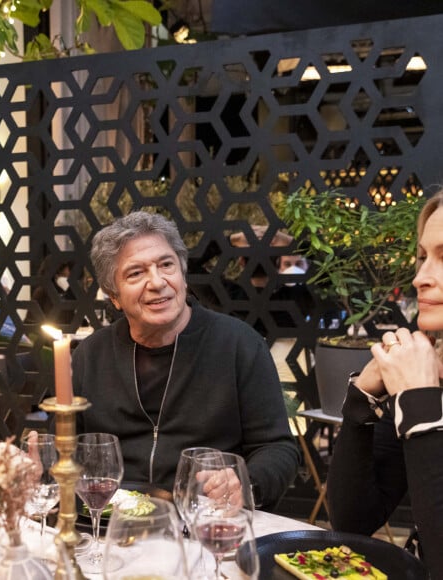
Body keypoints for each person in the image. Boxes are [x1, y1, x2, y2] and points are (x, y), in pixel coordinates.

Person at [72, 211, 299, 510]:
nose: (157, 282)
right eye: (136, 273)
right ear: (114, 296)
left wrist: (246, 481)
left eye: (166, 265)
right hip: (111, 523)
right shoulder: (90, 355)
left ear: (182, 273)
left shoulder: (239, 345)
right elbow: (65, 450)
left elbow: (277, 448)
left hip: (205, 519)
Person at [327, 190, 443, 576]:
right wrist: (361, 399)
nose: (420, 277)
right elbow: (353, 519)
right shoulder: (430, 366)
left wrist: (423, 410)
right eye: (424, 256)